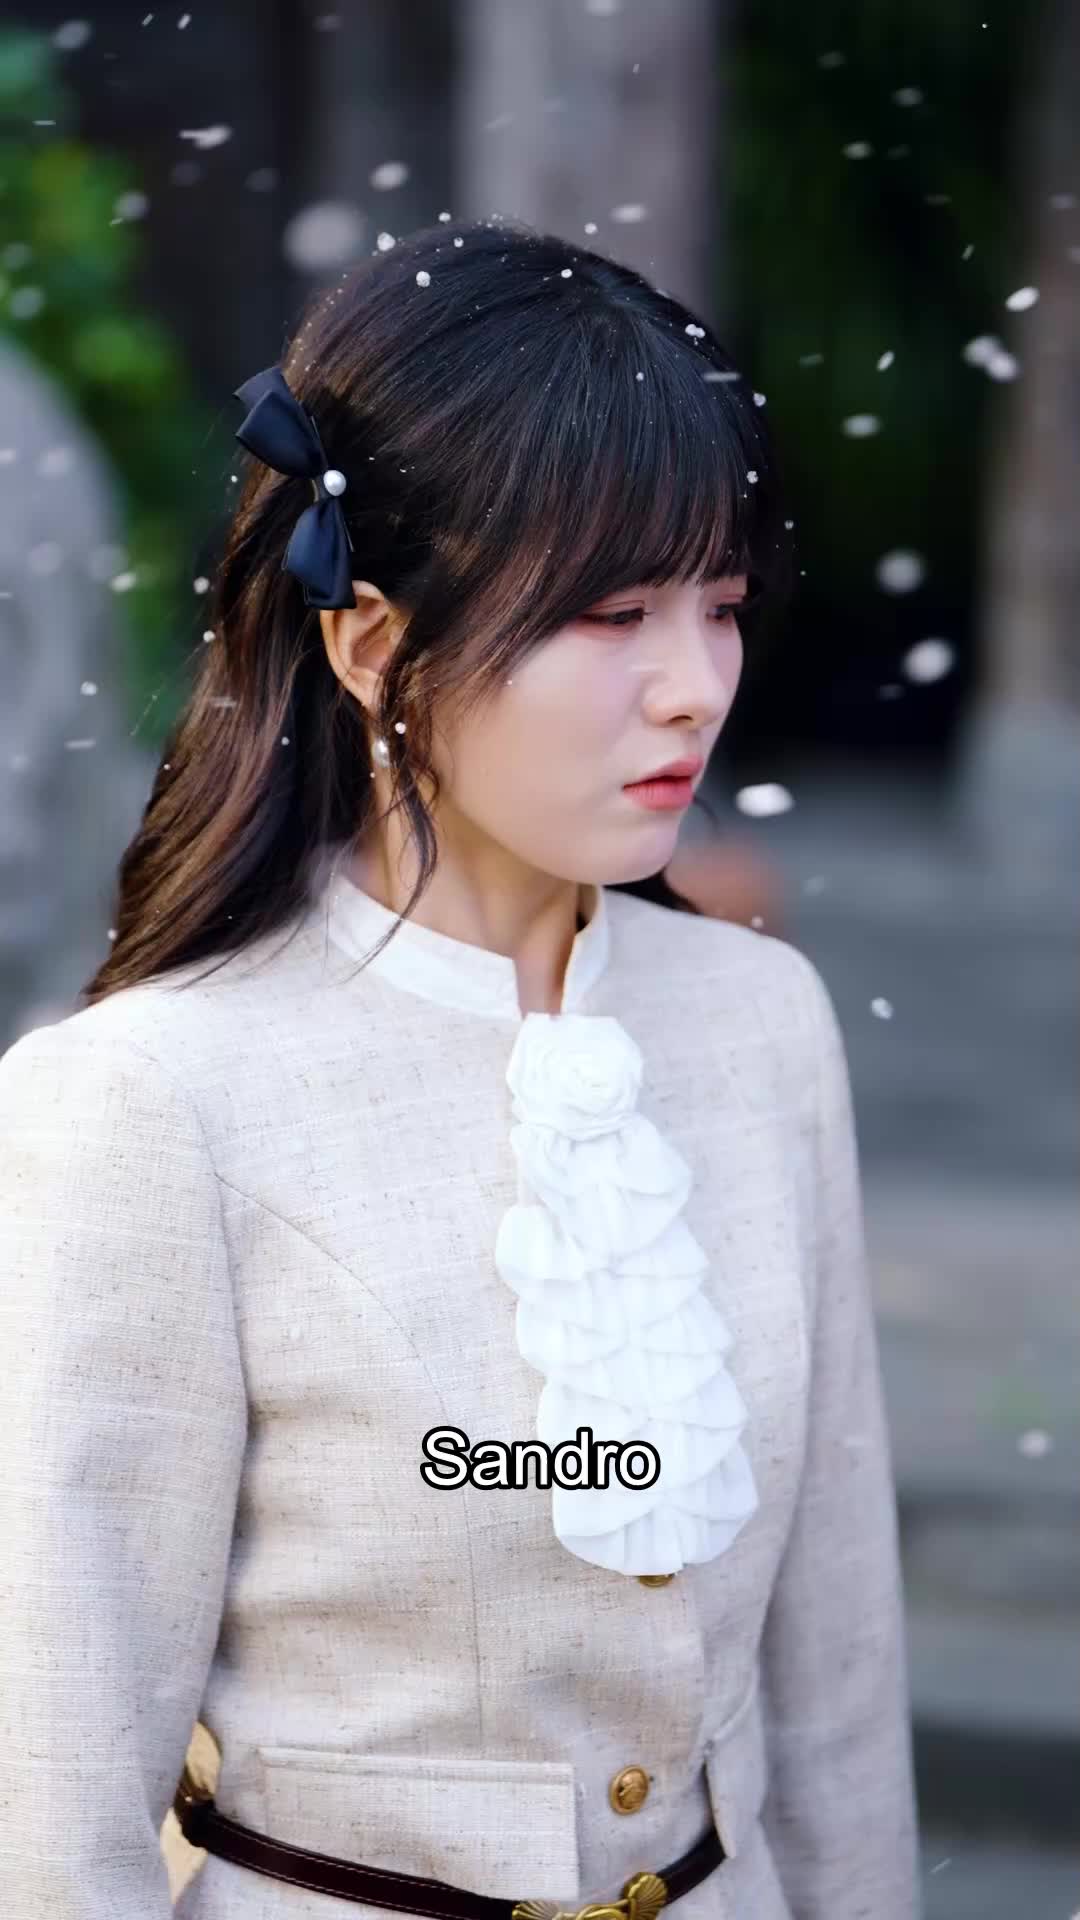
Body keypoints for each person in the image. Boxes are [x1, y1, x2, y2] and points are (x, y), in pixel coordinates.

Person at [0, 218, 920, 1920]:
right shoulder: (150, 1096)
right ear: (370, 645)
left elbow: (838, 1690)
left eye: (721, 608)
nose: (694, 688)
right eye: (615, 615)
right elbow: (51, 1813)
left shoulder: (761, 1026)